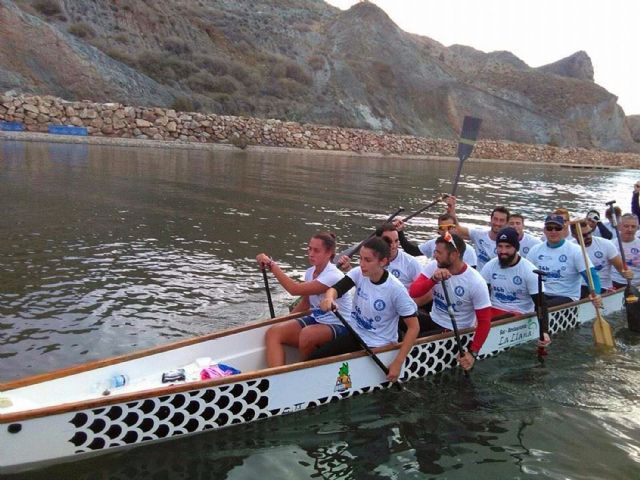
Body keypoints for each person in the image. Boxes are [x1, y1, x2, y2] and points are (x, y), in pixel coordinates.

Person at [310, 236, 419, 382]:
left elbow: (414, 327)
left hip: (379, 346)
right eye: (360, 259)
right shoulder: (358, 274)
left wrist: (398, 363)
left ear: (383, 262)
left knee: (328, 370)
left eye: (367, 260)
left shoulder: (396, 290)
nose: (362, 264)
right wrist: (329, 298)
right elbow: (335, 289)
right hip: (355, 336)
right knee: (313, 360)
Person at [257, 232, 353, 367]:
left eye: (316, 250)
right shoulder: (310, 272)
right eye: (309, 249)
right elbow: (306, 303)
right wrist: (283, 321)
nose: (311, 253)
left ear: (329, 253)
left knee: (307, 334)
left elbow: (294, 290)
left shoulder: (333, 276)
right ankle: (276, 377)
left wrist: (272, 265)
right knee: (273, 332)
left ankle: (302, 375)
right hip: (317, 320)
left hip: (342, 326)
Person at [409, 233, 493, 371]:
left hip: (454, 332)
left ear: (454, 255)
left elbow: (484, 322)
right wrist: (433, 280)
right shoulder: (434, 266)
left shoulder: (476, 282)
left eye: (439, 252)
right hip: (433, 319)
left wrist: (472, 353)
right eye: (435, 251)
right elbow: (414, 292)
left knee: (413, 340)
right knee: (402, 317)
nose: (435, 255)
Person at [526, 214, 602, 307]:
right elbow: (526, 276)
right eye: (549, 228)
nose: (553, 231)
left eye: (557, 228)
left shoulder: (576, 250)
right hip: (542, 294)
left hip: (567, 297)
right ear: (544, 230)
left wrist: (597, 294)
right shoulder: (535, 250)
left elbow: (592, 276)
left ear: (564, 229)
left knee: (542, 306)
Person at [480, 227, 541, 316]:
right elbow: (481, 296)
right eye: (500, 246)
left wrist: (544, 329)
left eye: (508, 247)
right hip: (493, 311)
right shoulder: (489, 266)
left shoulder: (530, 271)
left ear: (516, 248)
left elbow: (541, 305)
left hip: (518, 316)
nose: (503, 251)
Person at [445, 196, 510, 270]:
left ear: (507, 223)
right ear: (491, 220)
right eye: (495, 219)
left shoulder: (509, 245)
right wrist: (452, 209)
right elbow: (458, 230)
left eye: (501, 220)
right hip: (479, 278)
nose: (497, 223)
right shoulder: (479, 235)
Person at [570, 219, 632, 295]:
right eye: (584, 235)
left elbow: (622, 269)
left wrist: (627, 273)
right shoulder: (570, 248)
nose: (589, 236)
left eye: (590, 232)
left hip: (603, 287)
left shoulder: (606, 244)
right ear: (574, 235)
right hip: (578, 288)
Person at [394, 213, 478, 267]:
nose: (446, 231)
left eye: (449, 227)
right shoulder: (433, 243)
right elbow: (412, 251)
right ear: (438, 230)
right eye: (442, 228)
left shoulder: (469, 251)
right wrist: (400, 232)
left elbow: (472, 276)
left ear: (456, 228)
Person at [611, 213, 640, 288]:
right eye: (626, 226)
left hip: (636, 283)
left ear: (637, 228)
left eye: (633, 227)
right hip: (615, 283)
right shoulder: (610, 244)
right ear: (619, 227)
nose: (630, 229)